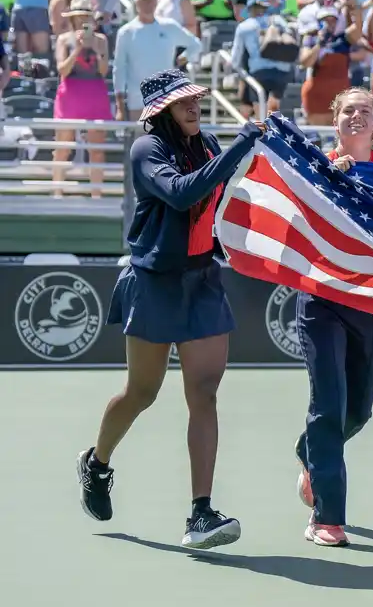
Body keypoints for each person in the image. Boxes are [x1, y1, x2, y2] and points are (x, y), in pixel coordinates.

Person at [75, 68, 265, 549]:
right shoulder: (147, 150)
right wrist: (243, 143)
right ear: (160, 111)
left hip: (202, 280)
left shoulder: (207, 144)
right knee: (142, 392)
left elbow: (229, 193)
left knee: (204, 392)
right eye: (183, 102)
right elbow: (184, 193)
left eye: (196, 99)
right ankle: (97, 463)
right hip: (154, 284)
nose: (193, 107)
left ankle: (200, 513)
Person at [294, 87, 373, 547]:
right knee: (327, 406)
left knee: (358, 411)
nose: (355, 117)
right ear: (335, 121)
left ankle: (310, 452)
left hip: (370, 302)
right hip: (321, 301)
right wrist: (329, 179)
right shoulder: (314, 168)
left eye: (364, 110)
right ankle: (327, 517)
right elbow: (299, 219)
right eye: (348, 110)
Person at [52, 0, 112, 198]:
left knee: (96, 149)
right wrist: (77, 48)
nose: (81, 21)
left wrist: (94, 48)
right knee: (62, 148)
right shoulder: (63, 39)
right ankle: (57, 192)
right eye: (78, 17)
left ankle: (96, 194)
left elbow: (103, 71)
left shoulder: (101, 40)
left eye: (85, 16)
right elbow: (62, 69)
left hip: (95, 93)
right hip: (70, 94)